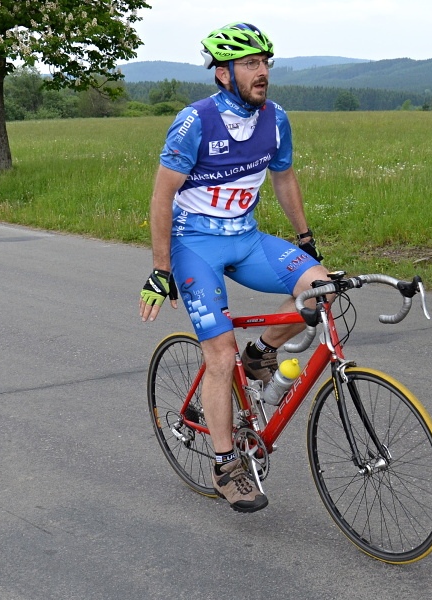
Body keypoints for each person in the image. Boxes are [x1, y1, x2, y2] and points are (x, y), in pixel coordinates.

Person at [138, 22, 327, 513]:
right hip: (195, 246)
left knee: (322, 289)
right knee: (219, 356)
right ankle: (226, 465)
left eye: (265, 62)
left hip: (246, 239)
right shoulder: (194, 122)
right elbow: (161, 197)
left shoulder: (276, 119)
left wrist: (305, 239)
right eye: (250, 64)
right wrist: (161, 268)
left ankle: (261, 352)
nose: (262, 72)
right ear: (223, 73)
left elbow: (283, 178)